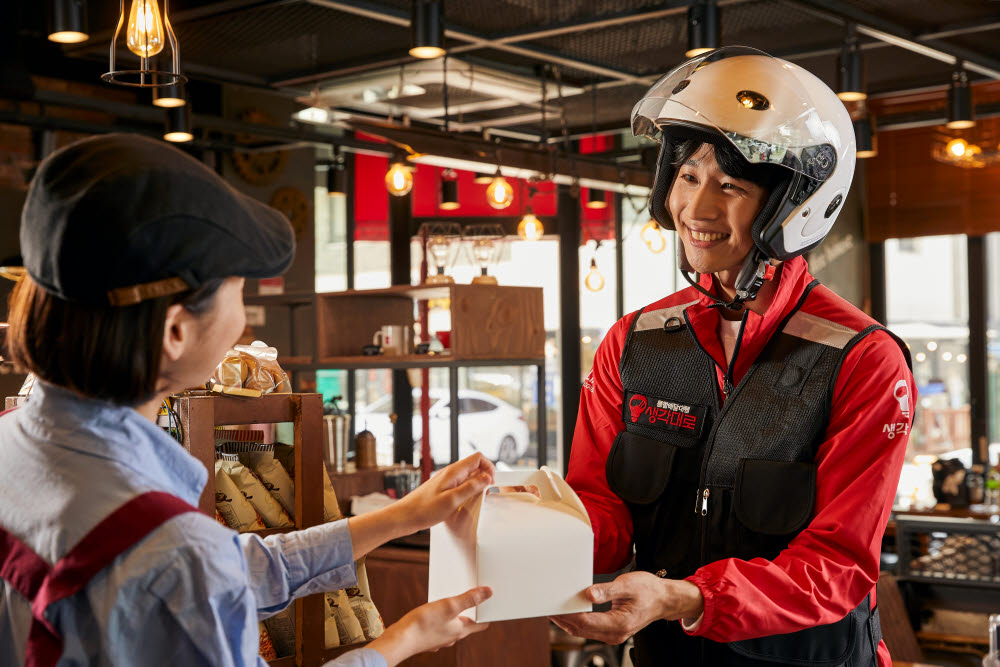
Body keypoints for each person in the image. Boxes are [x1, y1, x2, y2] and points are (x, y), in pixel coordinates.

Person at [0, 133, 494, 667]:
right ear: (175, 331)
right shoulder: (173, 555)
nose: (243, 314)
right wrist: (400, 641)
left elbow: (224, 568)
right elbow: (193, 572)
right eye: (238, 287)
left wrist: (400, 517)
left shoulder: (17, 449)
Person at [553, 47, 915, 666]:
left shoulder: (862, 360)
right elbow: (601, 506)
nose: (697, 209)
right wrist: (532, 543)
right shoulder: (635, 342)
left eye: (731, 186)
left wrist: (687, 598)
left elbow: (837, 562)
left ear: (791, 206)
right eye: (688, 178)